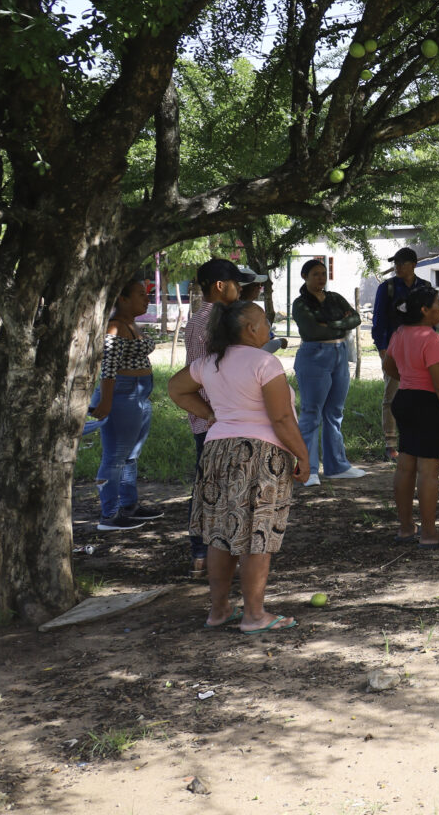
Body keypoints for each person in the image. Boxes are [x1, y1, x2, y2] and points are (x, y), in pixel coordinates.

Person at [168, 301, 310, 634]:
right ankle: (254, 615)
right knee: (256, 535)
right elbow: (281, 418)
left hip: (217, 452)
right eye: (265, 322)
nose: (269, 328)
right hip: (260, 456)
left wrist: (211, 415)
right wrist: (303, 456)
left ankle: (219, 610)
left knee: (220, 534)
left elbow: (175, 388)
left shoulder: (210, 362)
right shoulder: (265, 362)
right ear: (250, 329)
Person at [183, 259, 258, 574]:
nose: (239, 289)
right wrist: (214, 413)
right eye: (235, 283)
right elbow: (201, 375)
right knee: (212, 487)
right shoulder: (207, 323)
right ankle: (204, 553)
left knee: (220, 485)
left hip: (223, 417)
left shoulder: (216, 318)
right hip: (215, 420)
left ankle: (216, 552)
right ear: (219, 285)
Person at [382, 282, 439, 547]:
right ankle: (429, 534)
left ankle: (406, 528)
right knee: (429, 472)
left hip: (405, 400)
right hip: (429, 406)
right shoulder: (430, 339)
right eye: (438, 305)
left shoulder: (400, 333)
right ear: (424, 310)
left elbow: (389, 366)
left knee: (406, 466)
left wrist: (410, 377)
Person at [89, 277, 159, 532]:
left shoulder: (130, 323)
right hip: (122, 395)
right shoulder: (114, 327)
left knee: (130, 456)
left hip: (138, 395)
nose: (147, 298)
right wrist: (106, 401)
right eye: (140, 294)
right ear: (122, 298)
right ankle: (109, 515)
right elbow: (108, 368)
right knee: (115, 457)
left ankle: (129, 506)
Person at [290, 258, 365, 487]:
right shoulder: (300, 303)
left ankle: (337, 466)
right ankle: (308, 470)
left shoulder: (334, 298)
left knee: (335, 412)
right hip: (314, 356)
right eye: (315, 274)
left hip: (339, 354)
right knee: (311, 412)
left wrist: (331, 324)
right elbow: (312, 331)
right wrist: (340, 322)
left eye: (323, 273)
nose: (321, 278)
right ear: (305, 277)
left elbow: (355, 318)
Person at [371, 247, 425, 461]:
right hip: (393, 350)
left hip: (419, 350)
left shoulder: (425, 288)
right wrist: (382, 349)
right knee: (392, 396)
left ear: (414, 264)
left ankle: (413, 440)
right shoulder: (387, 288)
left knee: (418, 395)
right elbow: (378, 321)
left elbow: (431, 319)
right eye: (396, 263)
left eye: (402, 263)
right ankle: (391, 443)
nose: (398, 267)